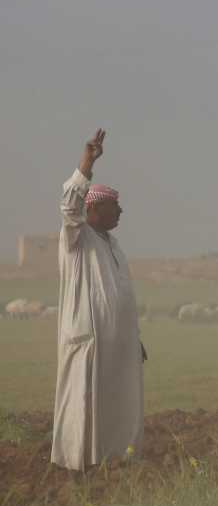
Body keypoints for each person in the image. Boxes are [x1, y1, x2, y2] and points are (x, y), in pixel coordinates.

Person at [51, 129, 145, 470]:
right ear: (95, 207)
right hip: (88, 344)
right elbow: (68, 205)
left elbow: (119, 298)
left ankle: (114, 463)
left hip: (117, 346)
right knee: (84, 406)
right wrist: (86, 164)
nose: (121, 211)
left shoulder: (112, 245)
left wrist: (134, 339)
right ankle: (78, 470)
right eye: (114, 205)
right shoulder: (77, 238)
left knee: (118, 406)